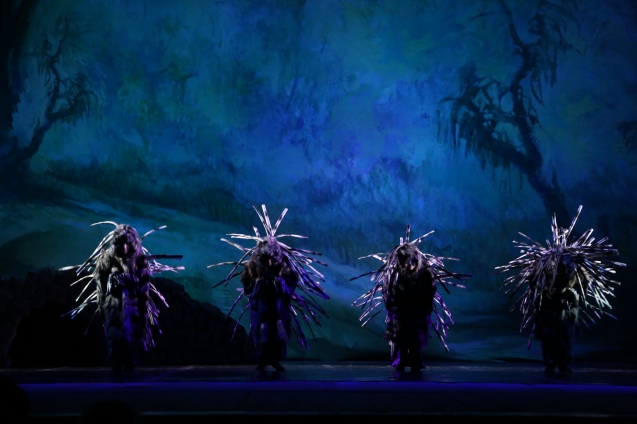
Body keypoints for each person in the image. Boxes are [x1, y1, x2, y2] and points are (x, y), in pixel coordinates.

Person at [497, 205, 624, 374]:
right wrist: (542, 291)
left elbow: (581, 282)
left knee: (564, 335)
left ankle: (562, 362)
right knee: (550, 336)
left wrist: (572, 294)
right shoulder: (545, 260)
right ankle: (551, 362)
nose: (561, 236)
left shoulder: (573, 260)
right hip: (549, 306)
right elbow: (535, 280)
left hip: (565, 306)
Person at [209, 205, 329, 371]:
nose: (270, 262)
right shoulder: (253, 265)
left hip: (278, 307)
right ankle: (263, 359)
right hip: (261, 306)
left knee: (278, 334)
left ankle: (274, 359)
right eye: (267, 259)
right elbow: (246, 280)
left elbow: (292, 280)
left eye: (272, 259)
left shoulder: (283, 265)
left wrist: (281, 286)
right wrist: (255, 286)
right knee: (261, 333)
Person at [64, 222, 183, 371]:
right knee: (115, 335)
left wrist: (134, 285)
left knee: (131, 335)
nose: (125, 247)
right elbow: (100, 279)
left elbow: (144, 285)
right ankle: (116, 359)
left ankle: (130, 360)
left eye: (128, 244)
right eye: (121, 244)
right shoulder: (107, 258)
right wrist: (111, 282)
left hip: (133, 305)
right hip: (113, 304)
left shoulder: (139, 259)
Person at [352, 225, 470, 372]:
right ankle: (401, 360)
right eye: (405, 263)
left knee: (416, 337)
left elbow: (429, 291)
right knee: (402, 337)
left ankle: (415, 360)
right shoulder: (396, 274)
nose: (409, 266)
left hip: (418, 311)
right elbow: (390, 291)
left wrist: (422, 308)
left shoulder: (425, 273)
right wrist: (393, 307)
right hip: (402, 311)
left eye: (411, 263)